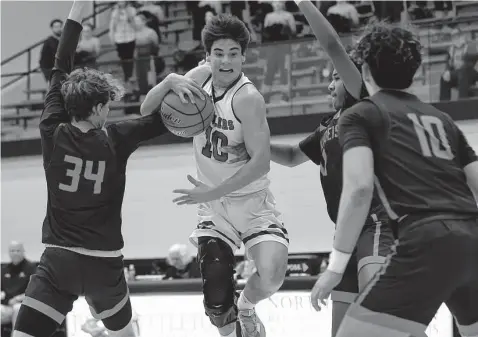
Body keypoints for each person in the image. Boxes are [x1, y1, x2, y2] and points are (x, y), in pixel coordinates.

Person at [11, 2, 204, 337]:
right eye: (108, 107)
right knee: (125, 334)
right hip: (105, 265)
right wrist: (192, 73)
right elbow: (167, 116)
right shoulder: (116, 138)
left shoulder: (51, 130)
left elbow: (61, 60)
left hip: (59, 262)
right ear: (99, 108)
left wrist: (79, 5)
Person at [228, 1, 394, 336]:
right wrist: (249, 145)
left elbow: (332, 46)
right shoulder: (327, 127)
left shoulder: (363, 105)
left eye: (335, 78)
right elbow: (290, 156)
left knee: (381, 320)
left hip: (376, 225)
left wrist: (303, 3)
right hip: (344, 234)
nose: (330, 85)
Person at [312, 22, 478, 337]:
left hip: (424, 237)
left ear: (365, 69)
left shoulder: (360, 114)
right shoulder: (442, 119)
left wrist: (335, 267)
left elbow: (359, 190)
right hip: (473, 239)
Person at [141, 13, 289, 337]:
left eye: (234, 53)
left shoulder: (248, 99)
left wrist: (211, 191)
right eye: (218, 53)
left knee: (273, 273)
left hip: (251, 202)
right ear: (207, 56)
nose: (226, 61)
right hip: (215, 210)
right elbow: (145, 109)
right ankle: (234, 322)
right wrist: (169, 81)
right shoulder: (198, 79)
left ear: (243, 56)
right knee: (218, 301)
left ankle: (248, 306)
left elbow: (262, 162)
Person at [1, 242, 36, 330]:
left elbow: (34, 290)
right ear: (9, 253)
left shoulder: (32, 268)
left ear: (23, 251)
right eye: (12, 251)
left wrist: (17, 299)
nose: (15, 253)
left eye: (18, 250)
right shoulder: (4, 269)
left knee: (18, 308)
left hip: (23, 304)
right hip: (6, 305)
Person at [39, 19, 63, 83]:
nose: (59, 29)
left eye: (60, 26)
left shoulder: (62, 40)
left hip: (58, 68)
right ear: (52, 28)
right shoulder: (49, 41)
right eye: (56, 27)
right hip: (49, 68)